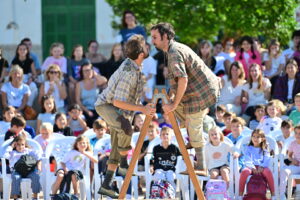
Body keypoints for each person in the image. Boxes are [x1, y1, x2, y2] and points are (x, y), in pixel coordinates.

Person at [151, 22, 220, 175]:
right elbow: (176, 81)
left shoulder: (174, 52)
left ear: (165, 36)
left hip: (201, 91)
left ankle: (201, 166)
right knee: (178, 112)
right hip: (196, 89)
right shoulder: (171, 50)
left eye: (155, 37)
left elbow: (183, 79)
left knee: (193, 123)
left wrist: (174, 103)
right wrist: (171, 99)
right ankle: (192, 139)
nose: (152, 41)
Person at [95, 34, 156, 198]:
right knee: (127, 129)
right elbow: (117, 102)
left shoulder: (135, 66)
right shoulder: (130, 71)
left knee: (116, 146)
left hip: (121, 110)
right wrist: (142, 109)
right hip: (107, 105)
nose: (149, 47)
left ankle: (107, 184)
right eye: (145, 46)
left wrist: (146, 104)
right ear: (141, 53)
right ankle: (123, 164)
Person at [238, 129, 275, 199]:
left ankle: (273, 194)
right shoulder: (248, 148)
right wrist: (252, 167)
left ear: (262, 138)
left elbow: (267, 158)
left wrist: (262, 166)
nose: (255, 138)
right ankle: (240, 194)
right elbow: (247, 159)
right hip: (251, 167)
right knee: (244, 172)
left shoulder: (265, 148)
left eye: (258, 137)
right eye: (254, 136)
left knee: (268, 172)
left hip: (262, 167)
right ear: (251, 137)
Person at [3, 135, 42, 200]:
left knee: (36, 176)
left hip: (29, 170)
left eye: (22, 144)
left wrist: (39, 164)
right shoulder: (12, 153)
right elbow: (5, 156)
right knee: (16, 177)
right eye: (18, 144)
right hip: (17, 171)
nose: (20, 147)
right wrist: (11, 147)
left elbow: (38, 156)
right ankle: (16, 197)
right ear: (15, 144)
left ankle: (35, 196)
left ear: (25, 145)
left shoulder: (28, 151)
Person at [75, 63, 107, 128]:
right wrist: (86, 110)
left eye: (89, 70)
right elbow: (77, 100)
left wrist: (95, 74)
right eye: (85, 71)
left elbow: (104, 80)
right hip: (85, 109)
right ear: (82, 72)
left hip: (97, 108)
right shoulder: (79, 84)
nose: (88, 72)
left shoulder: (96, 81)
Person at [279, 125, 300, 199]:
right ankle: (282, 194)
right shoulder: (293, 143)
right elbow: (289, 156)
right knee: (284, 171)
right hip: (297, 166)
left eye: (299, 133)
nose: (297, 135)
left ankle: (298, 191)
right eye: (296, 133)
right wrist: (293, 160)